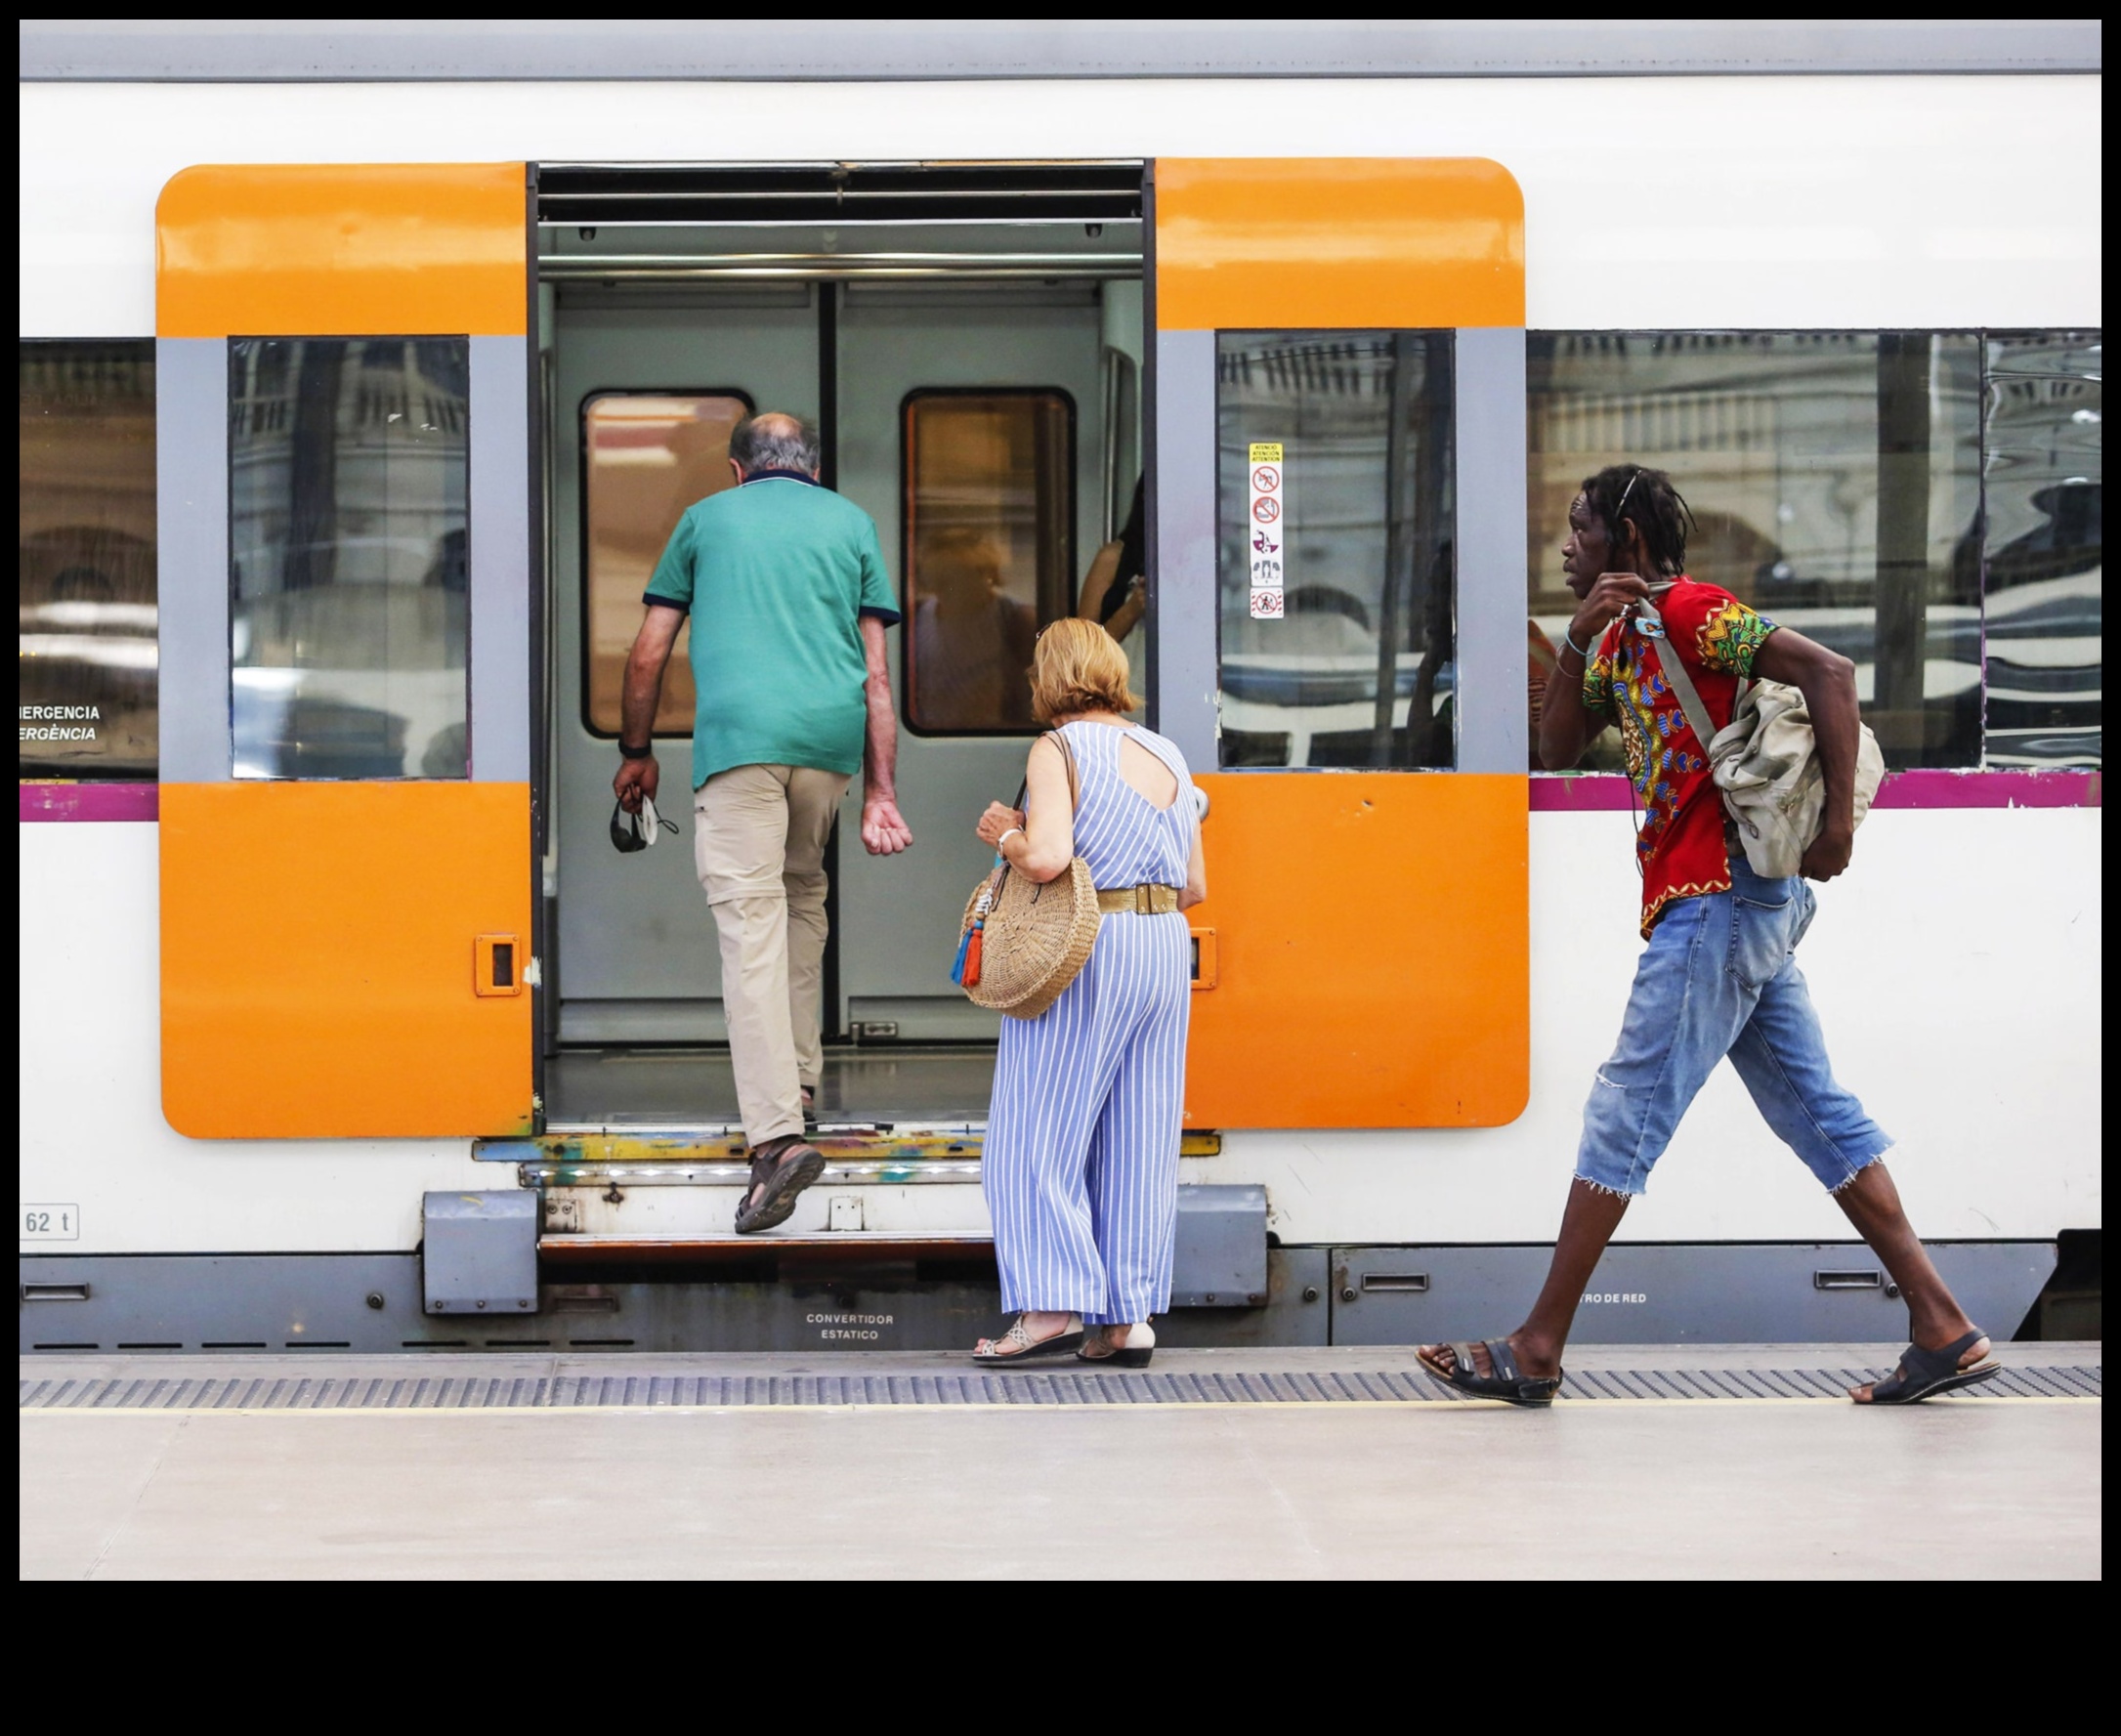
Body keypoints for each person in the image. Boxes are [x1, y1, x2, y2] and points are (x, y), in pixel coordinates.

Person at [1421, 463, 2001, 1408]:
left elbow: (1829, 672)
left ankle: (1535, 1346)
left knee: (1625, 1107)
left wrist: (1837, 831)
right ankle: (1941, 1323)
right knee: (1817, 1112)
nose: (1564, 547)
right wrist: (1572, 641)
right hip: (1724, 908)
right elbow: (1557, 749)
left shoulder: (1693, 610)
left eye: (1579, 530)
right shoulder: (1613, 638)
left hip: (1715, 899)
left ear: (1629, 543)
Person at [614, 411, 913, 1235]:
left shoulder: (706, 519)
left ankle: (776, 1138)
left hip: (740, 744)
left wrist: (636, 750)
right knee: (799, 898)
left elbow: (648, 652)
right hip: (828, 746)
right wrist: (882, 791)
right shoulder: (851, 522)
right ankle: (801, 1081)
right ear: (810, 468)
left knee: (749, 924)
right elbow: (875, 678)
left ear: (738, 470)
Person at [969, 618, 1205, 1369]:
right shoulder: (1167, 751)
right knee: (1136, 1137)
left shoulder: (1058, 748)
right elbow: (1196, 885)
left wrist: (1005, 835)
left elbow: (1046, 856)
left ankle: (1049, 1306)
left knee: (1032, 1133)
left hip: (1086, 946)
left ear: (1049, 678)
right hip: (1163, 943)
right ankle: (1125, 1318)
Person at [911, 528, 1036, 729]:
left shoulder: (1016, 621)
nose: (938, 590)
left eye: (948, 581)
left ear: (982, 575)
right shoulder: (917, 617)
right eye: (931, 580)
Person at [1076, 476, 1148, 643]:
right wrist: (1132, 609)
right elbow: (1084, 646)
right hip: (1123, 665)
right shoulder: (1113, 557)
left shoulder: (1189, 561)